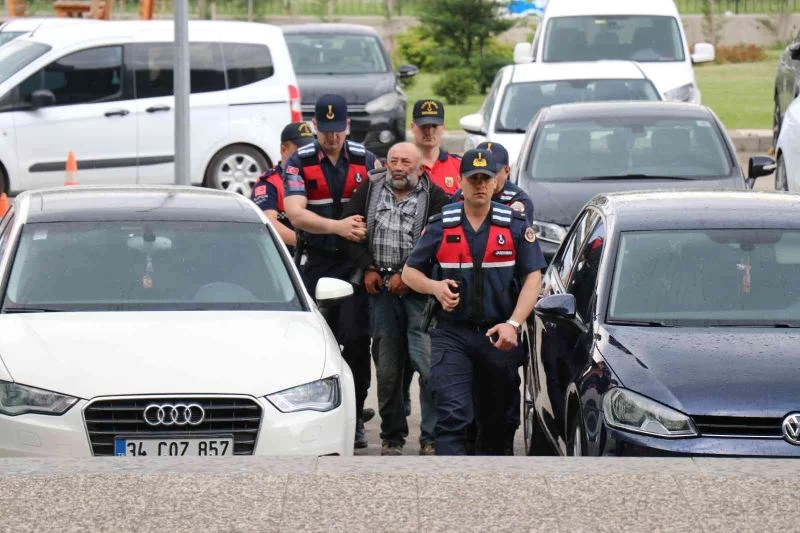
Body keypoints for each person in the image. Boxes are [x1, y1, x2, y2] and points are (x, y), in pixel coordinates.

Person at [401, 148, 547, 455]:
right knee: (453, 417)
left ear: (496, 183)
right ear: (461, 183)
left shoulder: (516, 226)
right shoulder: (442, 225)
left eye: (486, 179)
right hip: (452, 334)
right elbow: (409, 273)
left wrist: (513, 324)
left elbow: (533, 279)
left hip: (499, 335)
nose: (480, 185)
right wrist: (434, 287)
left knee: (496, 423)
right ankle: (451, 491)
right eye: (473, 179)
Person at [284, 94, 381, 449]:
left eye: (338, 131)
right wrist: (337, 227)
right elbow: (295, 213)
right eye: (326, 132)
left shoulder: (366, 159)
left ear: (347, 126)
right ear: (314, 127)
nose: (332, 138)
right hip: (317, 260)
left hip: (354, 263)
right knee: (315, 341)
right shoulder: (299, 161)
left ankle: (354, 418)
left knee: (356, 342)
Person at [341, 141, 451, 456]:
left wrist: (412, 274)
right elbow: (348, 233)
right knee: (388, 369)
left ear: (420, 168)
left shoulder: (435, 197)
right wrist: (367, 268)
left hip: (420, 296)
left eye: (405, 162)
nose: (398, 167)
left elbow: (442, 246)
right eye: (393, 161)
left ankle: (431, 438)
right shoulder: (370, 189)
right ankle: (392, 437)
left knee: (428, 367)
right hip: (381, 292)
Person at [454, 140, 536, 454]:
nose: (484, 181)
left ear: (505, 172)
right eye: (473, 176)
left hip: (504, 307)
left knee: (502, 387)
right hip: (467, 311)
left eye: (491, 174)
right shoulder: (459, 200)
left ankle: (501, 443)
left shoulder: (518, 203)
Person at [251, 122, 316, 253]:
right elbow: (268, 222)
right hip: (286, 257)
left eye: (310, 149)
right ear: (284, 150)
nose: (306, 154)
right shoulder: (269, 183)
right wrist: (308, 245)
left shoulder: (318, 176)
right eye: (300, 150)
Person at [452, 141, 534, 225]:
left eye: (491, 173)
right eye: (475, 176)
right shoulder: (461, 195)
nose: (481, 182)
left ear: (507, 171)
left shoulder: (520, 200)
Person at [411, 99, 462, 197]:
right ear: (412, 127)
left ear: (443, 127)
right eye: (424, 126)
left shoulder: (459, 166)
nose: (429, 131)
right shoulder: (399, 165)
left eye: (434, 126)